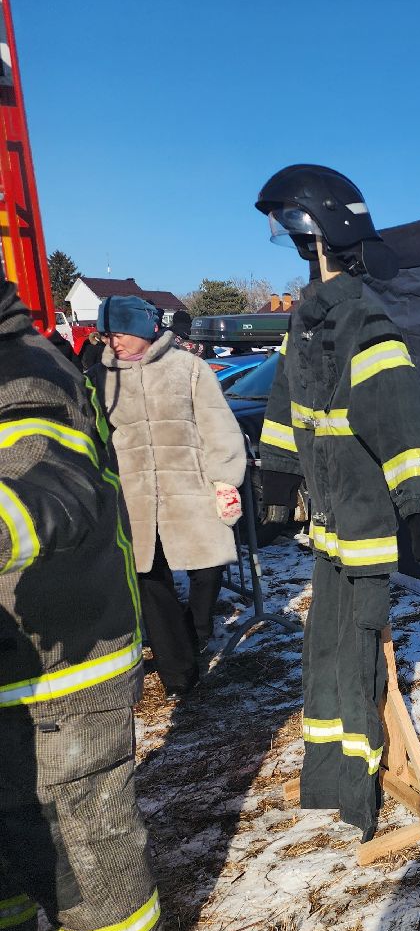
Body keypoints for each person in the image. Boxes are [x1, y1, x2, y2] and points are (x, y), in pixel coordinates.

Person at [0, 281, 166, 931]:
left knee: (85, 838)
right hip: (16, 657)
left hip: (66, 665)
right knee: (12, 822)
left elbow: (56, 483)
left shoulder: (25, 372)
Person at [255, 164, 420, 841]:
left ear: (325, 237)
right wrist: (275, 483)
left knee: (357, 660)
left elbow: (400, 420)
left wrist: (411, 503)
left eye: (303, 238)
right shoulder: (304, 325)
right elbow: (282, 411)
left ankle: (358, 795)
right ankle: (330, 777)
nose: (301, 253)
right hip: (328, 530)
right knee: (323, 653)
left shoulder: (365, 323)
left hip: (362, 530)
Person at [89, 294, 246, 697]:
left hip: (190, 489)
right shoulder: (100, 376)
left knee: (208, 567)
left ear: (143, 330)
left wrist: (225, 479)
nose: (114, 343)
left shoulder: (187, 368)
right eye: (107, 335)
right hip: (135, 496)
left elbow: (218, 425)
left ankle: (196, 630)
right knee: (149, 578)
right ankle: (179, 673)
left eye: (120, 333)